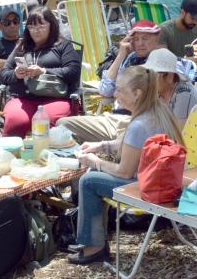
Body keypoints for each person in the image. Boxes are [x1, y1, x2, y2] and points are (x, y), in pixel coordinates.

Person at [70, 66, 185, 265]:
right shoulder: (158, 109)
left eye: (120, 90)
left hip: (150, 189)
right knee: (94, 176)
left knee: (88, 181)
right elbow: (134, 146)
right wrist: (102, 145)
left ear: (137, 93)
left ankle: (94, 248)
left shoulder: (139, 124)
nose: (115, 94)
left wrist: (95, 162)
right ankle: (94, 240)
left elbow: (124, 172)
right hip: (168, 182)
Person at [58, 21, 162, 143]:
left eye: (145, 38)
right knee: (63, 124)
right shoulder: (130, 59)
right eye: (136, 39)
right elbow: (105, 90)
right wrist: (121, 55)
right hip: (114, 119)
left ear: (156, 39)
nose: (140, 43)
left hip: (138, 122)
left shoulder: (161, 64)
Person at [0, 8, 82, 137]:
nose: (36, 30)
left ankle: (48, 155)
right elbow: (2, 75)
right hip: (23, 97)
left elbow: (74, 71)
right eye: (31, 26)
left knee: (49, 122)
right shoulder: (22, 47)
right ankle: (13, 154)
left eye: (41, 25)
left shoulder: (63, 46)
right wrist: (16, 74)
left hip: (55, 97)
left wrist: (44, 71)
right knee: (15, 121)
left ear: (51, 25)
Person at [145, 48, 197, 124]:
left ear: (170, 77)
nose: (149, 80)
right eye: (148, 74)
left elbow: (179, 129)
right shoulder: (160, 92)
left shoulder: (184, 93)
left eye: (154, 76)